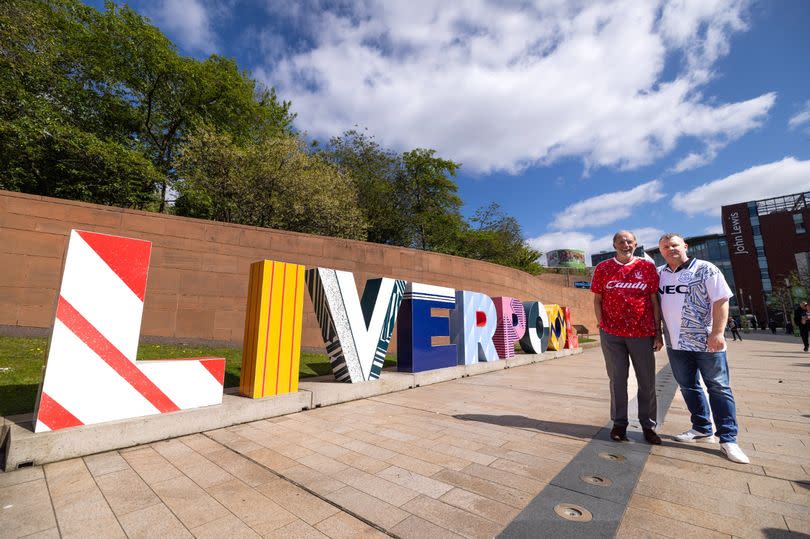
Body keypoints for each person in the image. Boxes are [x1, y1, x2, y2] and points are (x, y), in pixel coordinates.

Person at [657, 233, 749, 464]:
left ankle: (728, 439)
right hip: (676, 343)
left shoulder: (706, 269)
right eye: (666, 247)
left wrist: (718, 333)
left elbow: (721, 300)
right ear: (661, 251)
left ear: (684, 246)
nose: (671, 249)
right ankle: (701, 428)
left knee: (718, 387)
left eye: (674, 245)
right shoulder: (659, 274)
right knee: (688, 386)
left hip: (706, 341)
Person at [592, 230, 663, 445]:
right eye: (621, 241)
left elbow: (654, 300)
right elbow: (597, 300)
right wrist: (602, 324)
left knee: (647, 381)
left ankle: (648, 426)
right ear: (614, 245)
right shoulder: (603, 268)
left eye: (629, 241)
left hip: (641, 333)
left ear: (636, 244)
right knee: (617, 380)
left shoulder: (646, 267)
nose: (626, 244)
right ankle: (619, 424)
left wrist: (657, 332)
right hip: (612, 335)